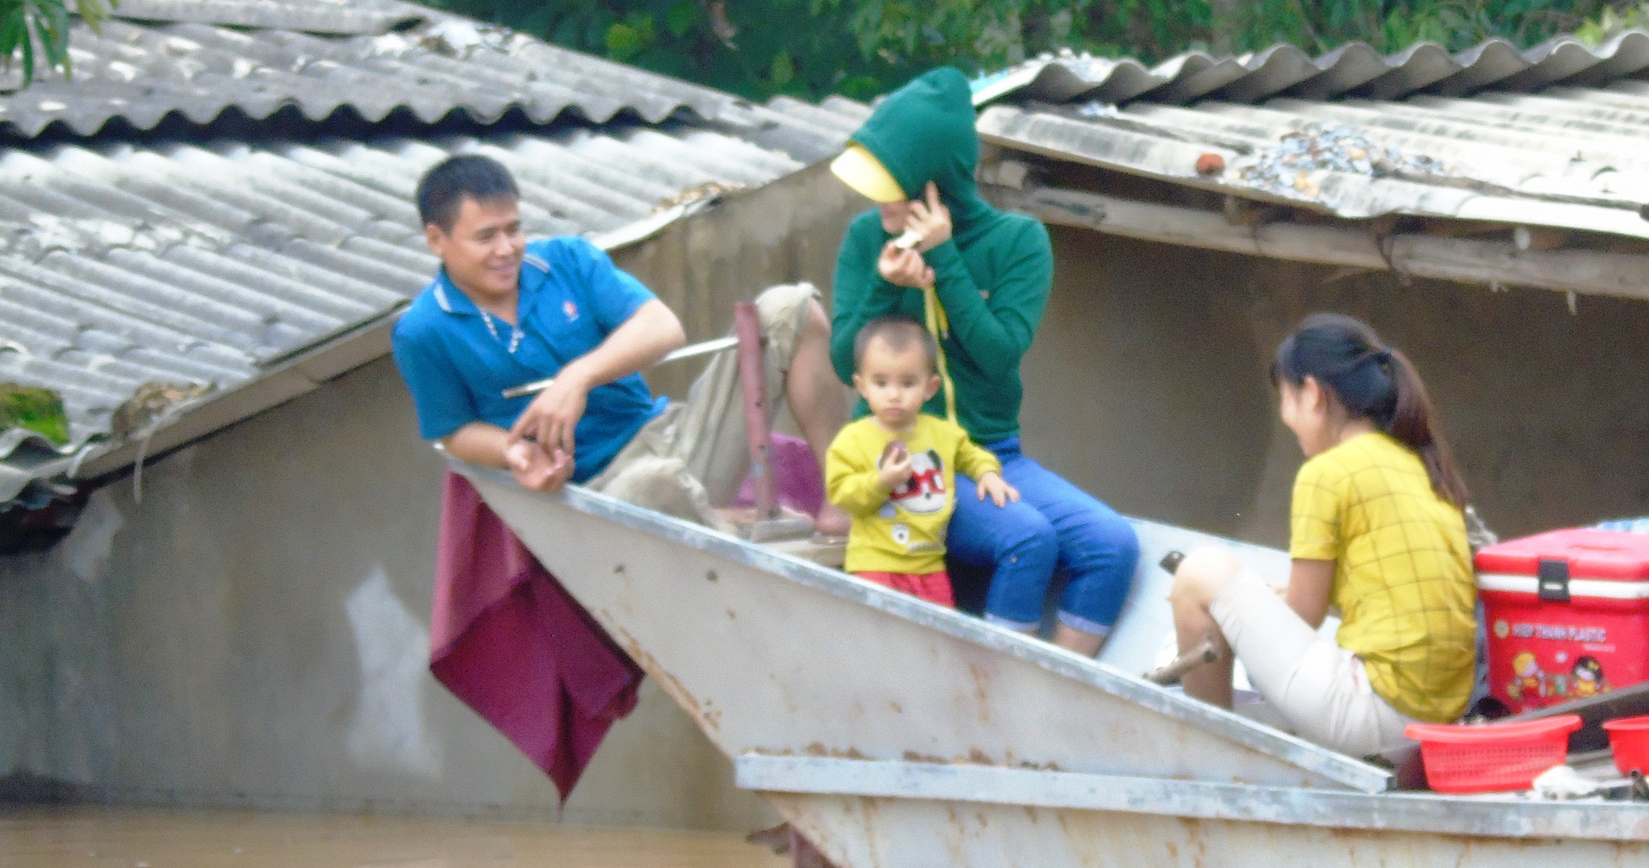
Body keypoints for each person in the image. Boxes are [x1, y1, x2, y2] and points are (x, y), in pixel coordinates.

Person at [827, 68, 1139, 654]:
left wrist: (945, 261)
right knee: (1027, 539)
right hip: (898, 456)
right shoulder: (866, 239)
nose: (873, 199)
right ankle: (998, 699)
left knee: (1112, 545)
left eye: (888, 182)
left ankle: (1057, 699)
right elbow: (846, 360)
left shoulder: (1019, 241)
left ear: (932, 180)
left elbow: (998, 357)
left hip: (993, 456)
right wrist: (884, 287)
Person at [390, 153, 853, 532]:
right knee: (653, 487)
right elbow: (453, 431)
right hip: (597, 492)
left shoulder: (567, 259)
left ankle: (844, 496)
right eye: (485, 237)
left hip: (668, 436)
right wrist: (515, 452)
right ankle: (730, 522)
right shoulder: (423, 331)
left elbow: (662, 326)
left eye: (513, 229)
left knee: (791, 307)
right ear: (437, 240)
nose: (507, 248)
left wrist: (578, 377)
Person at [1165, 313, 1477, 757]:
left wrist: (1246, 612)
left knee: (1198, 574)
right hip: (1435, 718)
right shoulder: (1418, 465)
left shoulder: (1327, 473)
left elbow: (1303, 616)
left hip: (1374, 715)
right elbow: (1382, 593)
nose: (1284, 415)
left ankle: (1206, 749)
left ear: (1312, 394)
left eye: (1286, 398)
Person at [824, 317, 1019, 605]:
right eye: (880, 382)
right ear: (861, 385)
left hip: (931, 567)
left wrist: (987, 473)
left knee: (934, 642)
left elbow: (971, 453)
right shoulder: (852, 440)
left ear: (930, 387)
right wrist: (881, 482)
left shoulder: (941, 433)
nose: (893, 395)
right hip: (876, 565)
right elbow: (841, 493)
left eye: (907, 383)